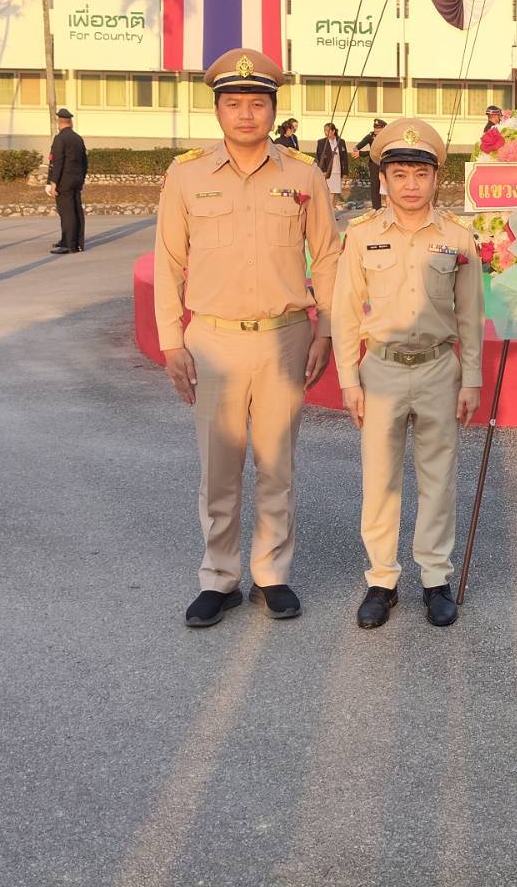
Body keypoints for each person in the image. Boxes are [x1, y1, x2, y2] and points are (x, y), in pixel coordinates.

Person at [154, 48, 342, 629]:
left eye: (256, 103)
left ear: (273, 110)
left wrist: (327, 328)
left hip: (285, 338)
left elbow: (327, 255)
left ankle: (271, 574)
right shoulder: (186, 176)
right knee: (220, 469)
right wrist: (171, 341)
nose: (245, 114)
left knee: (276, 465)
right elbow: (168, 261)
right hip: (213, 340)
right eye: (233, 103)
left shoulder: (302, 175)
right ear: (217, 110)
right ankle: (219, 578)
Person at [332, 117, 484, 631]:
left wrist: (471, 378)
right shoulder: (361, 236)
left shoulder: (457, 236)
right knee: (380, 479)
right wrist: (349, 380)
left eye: (421, 174)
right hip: (382, 370)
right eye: (399, 174)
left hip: (440, 368)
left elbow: (470, 313)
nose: (411, 185)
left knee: (438, 478)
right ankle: (382, 580)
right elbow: (345, 311)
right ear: (383, 179)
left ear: (436, 178)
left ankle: (435, 579)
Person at [46, 107, 87, 255]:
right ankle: (77, 243)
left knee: (66, 212)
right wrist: (82, 178)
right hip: (76, 180)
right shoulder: (78, 138)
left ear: (60, 122)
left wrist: (53, 182)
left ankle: (69, 245)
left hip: (64, 181)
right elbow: (84, 161)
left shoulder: (60, 139)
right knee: (76, 211)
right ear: (70, 122)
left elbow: (58, 162)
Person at [354, 118, 386, 211]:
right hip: (374, 164)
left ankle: (390, 207)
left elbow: (378, 151)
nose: (376, 130)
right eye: (375, 127)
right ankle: (376, 208)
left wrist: (362, 153)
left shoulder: (386, 137)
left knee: (387, 185)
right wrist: (356, 149)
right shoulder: (371, 136)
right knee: (375, 186)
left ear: (383, 128)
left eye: (378, 128)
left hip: (385, 163)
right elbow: (360, 145)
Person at [315, 122, 349, 207]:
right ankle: (328, 210)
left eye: (328, 130)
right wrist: (323, 170)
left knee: (334, 192)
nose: (326, 132)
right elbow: (319, 157)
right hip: (327, 171)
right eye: (325, 130)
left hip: (337, 170)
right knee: (328, 191)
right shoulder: (322, 142)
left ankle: (331, 210)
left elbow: (344, 158)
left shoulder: (341, 141)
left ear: (333, 131)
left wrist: (345, 172)